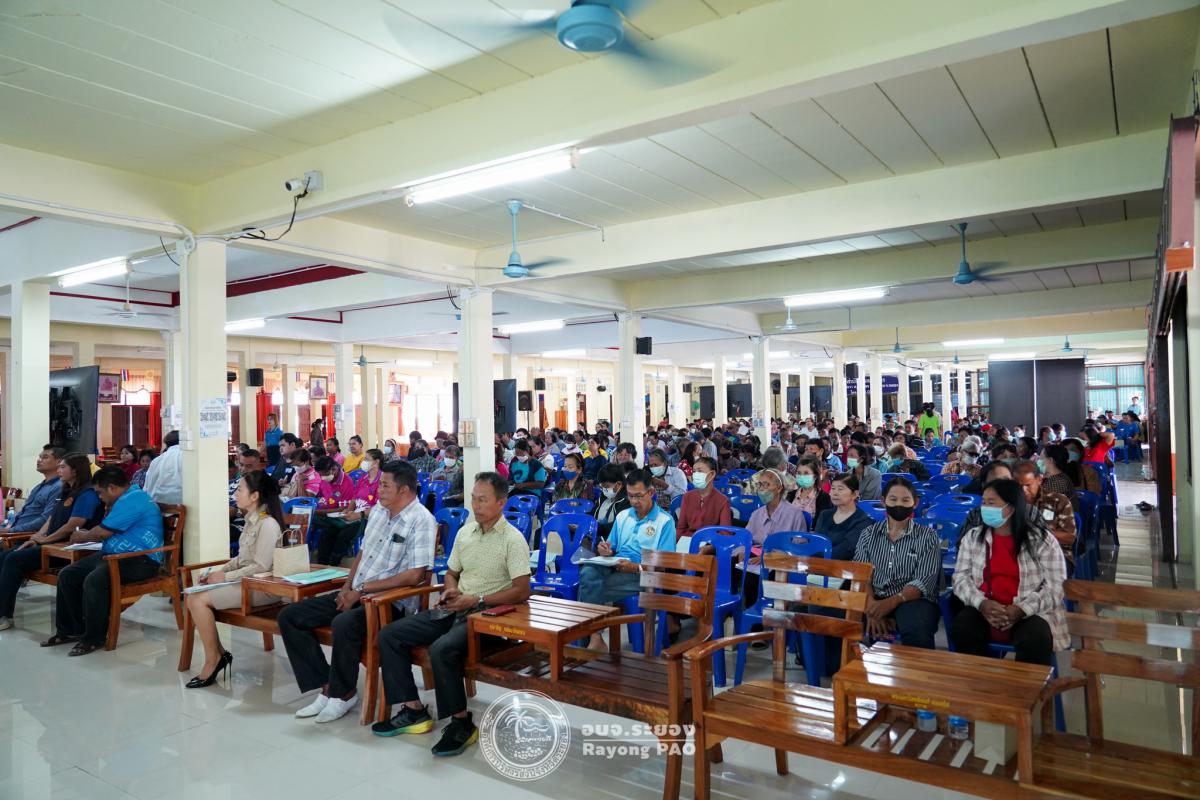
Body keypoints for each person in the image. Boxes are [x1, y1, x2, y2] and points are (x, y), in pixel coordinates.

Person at [373, 472, 530, 755]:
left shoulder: (513, 539)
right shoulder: (465, 533)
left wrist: (477, 599)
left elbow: (521, 590)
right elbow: (451, 573)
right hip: (456, 608)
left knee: (441, 649)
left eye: (483, 500)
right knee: (390, 635)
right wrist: (451, 590)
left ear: (501, 503)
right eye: (473, 499)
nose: (476, 505)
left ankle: (461, 723)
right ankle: (414, 710)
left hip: (489, 618)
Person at [279, 460, 434, 723]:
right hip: (358, 591)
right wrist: (347, 586)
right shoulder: (379, 512)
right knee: (290, 616)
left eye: (385, 485)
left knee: (344, 623)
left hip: (389, 604)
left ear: (404, 490)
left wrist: (362, 590)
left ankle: (343, 693)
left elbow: (415, 575)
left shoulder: (421, 521)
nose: (378, 490)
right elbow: (363, 552)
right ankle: (327, 685)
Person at [43, 466, 163, 656]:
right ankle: (72, 630)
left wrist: (82, 536)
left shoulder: (134, 500)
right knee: (67, 575)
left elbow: (101, 533)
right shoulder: (125, 498)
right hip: (112, 555)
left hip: (140, 560)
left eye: (100, 492)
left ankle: (94, 638)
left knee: (95, 580)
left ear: (112, 488)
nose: (99, 497)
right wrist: (88, 534)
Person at [184, 471, 285, 688]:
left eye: (240, 489)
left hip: (263, 588)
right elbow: (241, 559)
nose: (235, 494)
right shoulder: (251, 521)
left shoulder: (268, 525)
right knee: (193, 595)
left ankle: (214, 658)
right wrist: (218, 572)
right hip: (246, 583)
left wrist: (224, 576)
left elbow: (260, 566)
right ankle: (218, 654)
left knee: (197, 600)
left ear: (255, 496)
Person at [951, 479, 1068, 665]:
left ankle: (1027, 684)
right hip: (986, 607)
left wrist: (1021, 609)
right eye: (983, 503)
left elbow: (1056, 587)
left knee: (1035, 638)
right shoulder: (973, 537)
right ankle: (977, 679)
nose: (985, 508)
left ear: (1011, 507)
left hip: (1031, 611)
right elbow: (960, 579)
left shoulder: (1042, 540)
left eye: (991, 503)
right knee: (963, 627)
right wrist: (982, 604)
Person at [0, 452, 97, 631]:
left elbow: (71, 526)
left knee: (14, 559)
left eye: (63, 467)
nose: (59, 470)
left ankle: (3, 616)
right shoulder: (65, 490)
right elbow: (51, 519)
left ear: (75, 471)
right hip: (50, 544)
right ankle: (2, 609)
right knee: (5, 555)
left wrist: (44, 540)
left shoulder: (87, 493)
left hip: (67, 549)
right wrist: (36, 537)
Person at [580, 469, 675, 650]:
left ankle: (589, 642)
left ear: (651, 492)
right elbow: (611, 547)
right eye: (630, 496)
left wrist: (635, 567)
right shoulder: (623, 515)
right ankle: (594, 638)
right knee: (588, 572)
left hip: (646, 575)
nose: (634, 501)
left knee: (588, 587)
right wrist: (605, 550)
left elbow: (663, 566)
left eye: (638, 496)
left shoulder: (664, 521)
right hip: (618, 566)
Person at [853, 477, 940, 649]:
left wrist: (888, 604)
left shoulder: (927, 536)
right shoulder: (868, 534)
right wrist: (872, 609)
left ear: (915, 503)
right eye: (893, 499)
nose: (899, 504)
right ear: (883, 501)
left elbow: (923, 581)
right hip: (874, 596)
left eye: (905, 500)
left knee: (917, 627)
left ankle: (916, 667)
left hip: (911, 600)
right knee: (833, 613)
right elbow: (862, 574)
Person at [1012, 460, 1076, 560]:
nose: (1023, 490)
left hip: (1055, 554)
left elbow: (1070, 538)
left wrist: (1038, 533)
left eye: (1028, 485)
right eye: (1018, 486)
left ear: (1039, 480)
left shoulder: (1057, 501)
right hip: (1020, 553)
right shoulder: (1010, 502)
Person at [0, 444, 64, 538]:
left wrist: (10, 530)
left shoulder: (58, 487)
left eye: (45, 457)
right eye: (39, 457)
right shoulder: (38, 487)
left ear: (59, 462)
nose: (39, 460)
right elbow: (23, 514)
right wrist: (5, 527)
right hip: (12, 533)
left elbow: (46, 520)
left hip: (25, 537)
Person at [312, 456, 361, 565]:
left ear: (334, 469)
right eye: (320, 474)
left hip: (341, 518)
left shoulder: (347, 482)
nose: (322, 477)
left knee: (339, 535)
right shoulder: (324, 480)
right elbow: (318, 496)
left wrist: (318, 512)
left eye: (324, 474)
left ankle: (334, 564)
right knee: (324, 533)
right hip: (325, 515)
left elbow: (344, 509)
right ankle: (321, 564)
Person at [813, 472, 873, 560]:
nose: (835, 493)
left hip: (845, 566)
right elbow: (816, 541)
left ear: (854, 494)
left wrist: (818, 555)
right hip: (819, 562)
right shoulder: (824, 515)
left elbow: (846, 551)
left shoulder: (863, 521)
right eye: (833, 488)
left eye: (840, 489)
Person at [676, 456, 731, 538]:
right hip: (688, 540)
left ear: (712, 474)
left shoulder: (723, 501)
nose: (695, 475)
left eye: (700, 471)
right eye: (694, 471)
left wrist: (709, 545)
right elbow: (681, 528)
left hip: (710, 541)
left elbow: (725, 533)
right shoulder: (687, 496)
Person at [143, 430, 182, 505]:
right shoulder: (188, 457)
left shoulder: (156, 460)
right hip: (183, 505)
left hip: (158, 504)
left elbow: (147, 486)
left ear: (166, 444)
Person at [594, 463, 631, 540]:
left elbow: (617, 526)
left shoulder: (627, 502)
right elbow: (593, 513)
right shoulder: (604, 497)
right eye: (602, 487)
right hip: (597, 536)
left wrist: (593, 528)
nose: (604, 489)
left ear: (618, 484)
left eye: (606, 486)